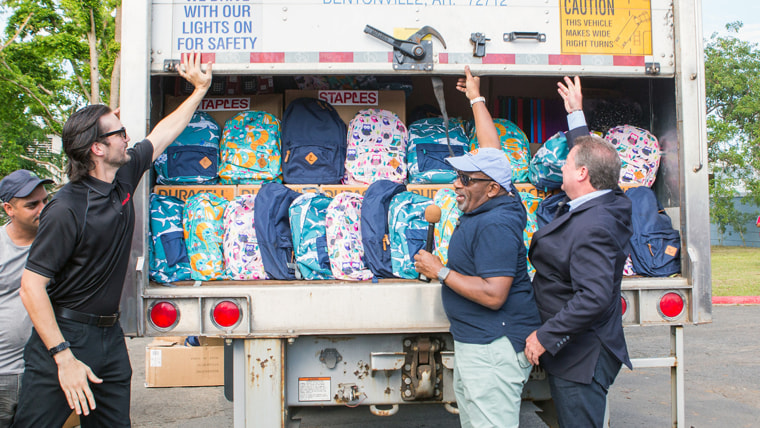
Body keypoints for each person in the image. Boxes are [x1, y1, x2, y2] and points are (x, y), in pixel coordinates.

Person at [12, 53, 212, 428]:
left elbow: (163, 134)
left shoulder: (123, 177)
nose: (128, 136)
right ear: (97, 149)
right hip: (66, 337)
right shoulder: (66, 208)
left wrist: (199, 90)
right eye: (118, 132)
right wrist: (63, 357)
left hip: (109, 337)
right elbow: (31, 286)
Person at [413, 65, 541, 428]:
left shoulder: (497, 224)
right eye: (458, 175)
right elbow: (492, 150)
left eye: (466, 179)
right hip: (480, 346)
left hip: (494, 349)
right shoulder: (501, 195)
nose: (456, 184)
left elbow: (493, 294)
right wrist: (476, 98)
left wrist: (441, 271)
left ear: (492, 188)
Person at [523, 75, 633, 428]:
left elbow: (595, 297)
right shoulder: (609, 197)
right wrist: (576, 115)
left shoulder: (595, 225)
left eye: (566, 166)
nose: (561, 170)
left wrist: (545, 336)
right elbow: (592, 158)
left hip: (582, 358)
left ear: (582, 174)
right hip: (577, 352)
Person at [0, 170, 53, 428]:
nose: (42, 209)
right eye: (32, 205)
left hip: (42, 370)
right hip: (3, 373)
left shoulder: (56, 243)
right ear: (9, 208)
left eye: (45, 201)